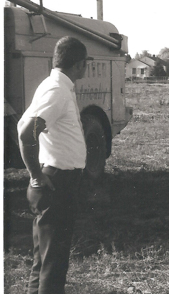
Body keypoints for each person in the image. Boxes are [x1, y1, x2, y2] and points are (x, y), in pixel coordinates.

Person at [17, 36, 93, 294]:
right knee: (54, 263)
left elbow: (23, 126)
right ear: (80, 64)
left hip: (54, 179)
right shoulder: (57, 91)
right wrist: (36, 174)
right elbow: (28, 132)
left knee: (45, 260)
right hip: (56, 182)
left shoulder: (53, 86)